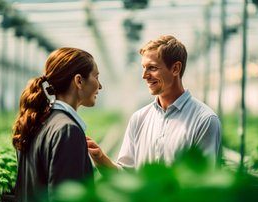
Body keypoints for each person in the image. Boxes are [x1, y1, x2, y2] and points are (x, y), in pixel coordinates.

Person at [87, 35, 221, 171]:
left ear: (176, 69)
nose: (144, 75)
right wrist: (100, 158)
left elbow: (204, 181)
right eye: (144, 67)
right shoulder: (139, 118)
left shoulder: (204, 120)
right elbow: (126, 175)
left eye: (152, 68)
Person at [12, 47, 102, 202]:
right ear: (79, 81)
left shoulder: (35, 122)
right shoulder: (68, 130)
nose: (100, 85)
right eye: (96, 77)